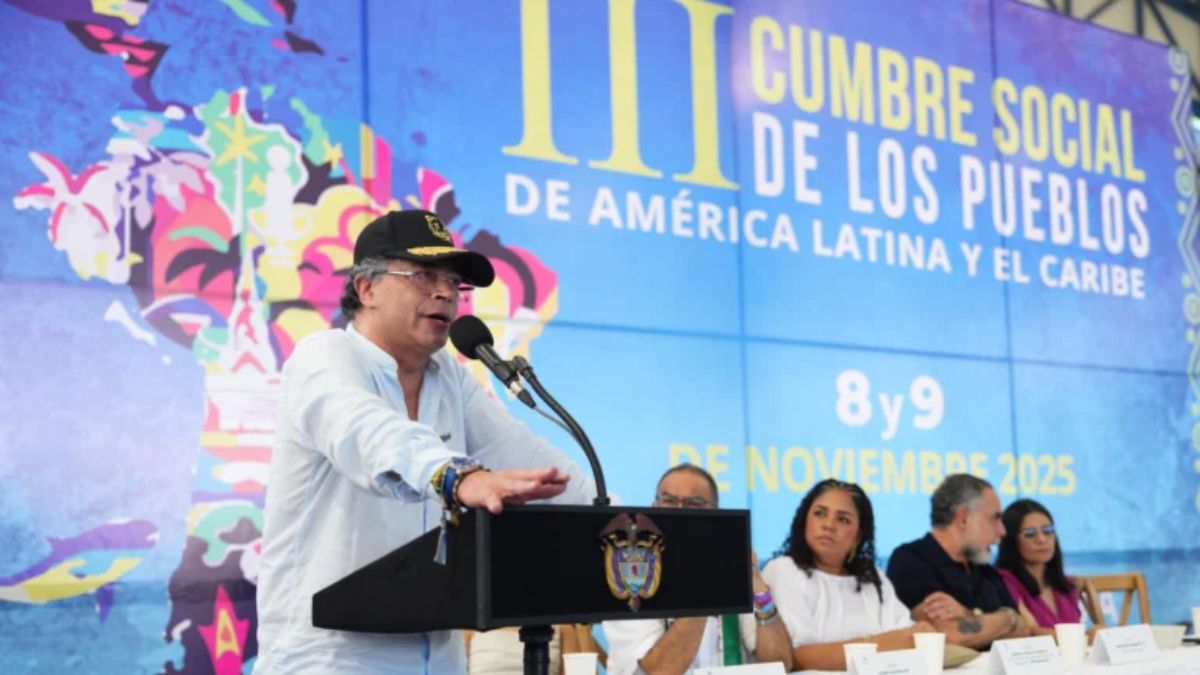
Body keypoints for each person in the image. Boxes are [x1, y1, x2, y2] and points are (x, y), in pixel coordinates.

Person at [254, 210, 595, 674]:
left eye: (454, 282)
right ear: (366, 288)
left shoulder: (450, 377)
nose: (445, 293)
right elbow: (368, 432)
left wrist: (621, 522)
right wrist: (457, 477)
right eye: (424, 276)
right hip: (331, 658)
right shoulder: (324, 357)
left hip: (440, 656)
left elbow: (528, 459)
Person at [602, 465, 794, 674]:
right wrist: (705, 584)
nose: (680, 511)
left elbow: (780, 663)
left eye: (694, 504)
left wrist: (757, 585)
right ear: (653, 507)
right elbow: (658, 671)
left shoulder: (730, 571)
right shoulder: (632, 574)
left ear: (716, 513)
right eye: (669, 501)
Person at [762, 479, 933, 671]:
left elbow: (907, 638)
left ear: (858, 536)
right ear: (804, 521)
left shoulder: (872, 578)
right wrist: (881, 644)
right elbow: (795, 658)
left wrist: (923, 633)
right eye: (819, 513)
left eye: (843, 519)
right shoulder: (783, 570)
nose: (828, 525)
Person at [886, 474, 1029, 649]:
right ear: (963, 518)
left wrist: (968, 614)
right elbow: (949, 636)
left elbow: (1023, 631)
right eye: (994, 518)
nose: (1002, 531)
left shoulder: (985, 570)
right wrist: (1007, 618)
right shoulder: (911, 561)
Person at [994, 499, 1082, 632]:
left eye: (1047, 531)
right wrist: (1084, 636)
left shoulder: (1067, 585)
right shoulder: (1003, 581)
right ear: (1011, 541)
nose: (1042, 539)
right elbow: (1033, 631)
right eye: (1030, 534)